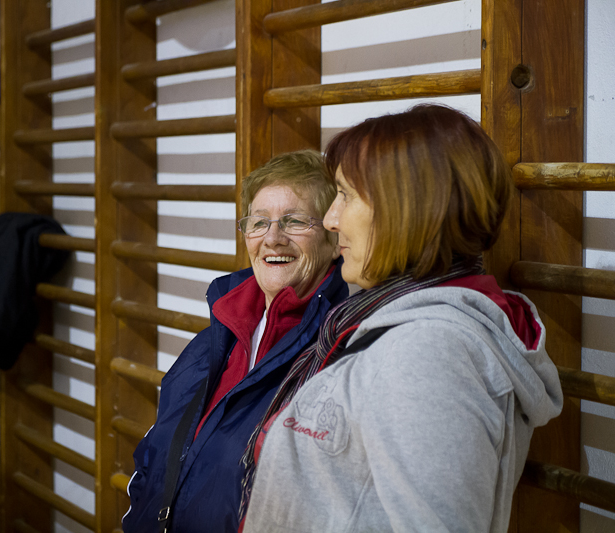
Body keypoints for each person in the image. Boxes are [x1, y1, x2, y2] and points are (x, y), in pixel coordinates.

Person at [241, 105, 563, 532]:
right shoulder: (395, 324)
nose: (332, 219)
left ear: (408, 210)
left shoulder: (429, 355)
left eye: (346, 196)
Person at [122, 150, 349, 532]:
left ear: (332, 238)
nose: (273, 238)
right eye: (259, 223)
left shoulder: (342, 353)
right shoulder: (210, 342)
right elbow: (154, 458)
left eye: (294, 221)